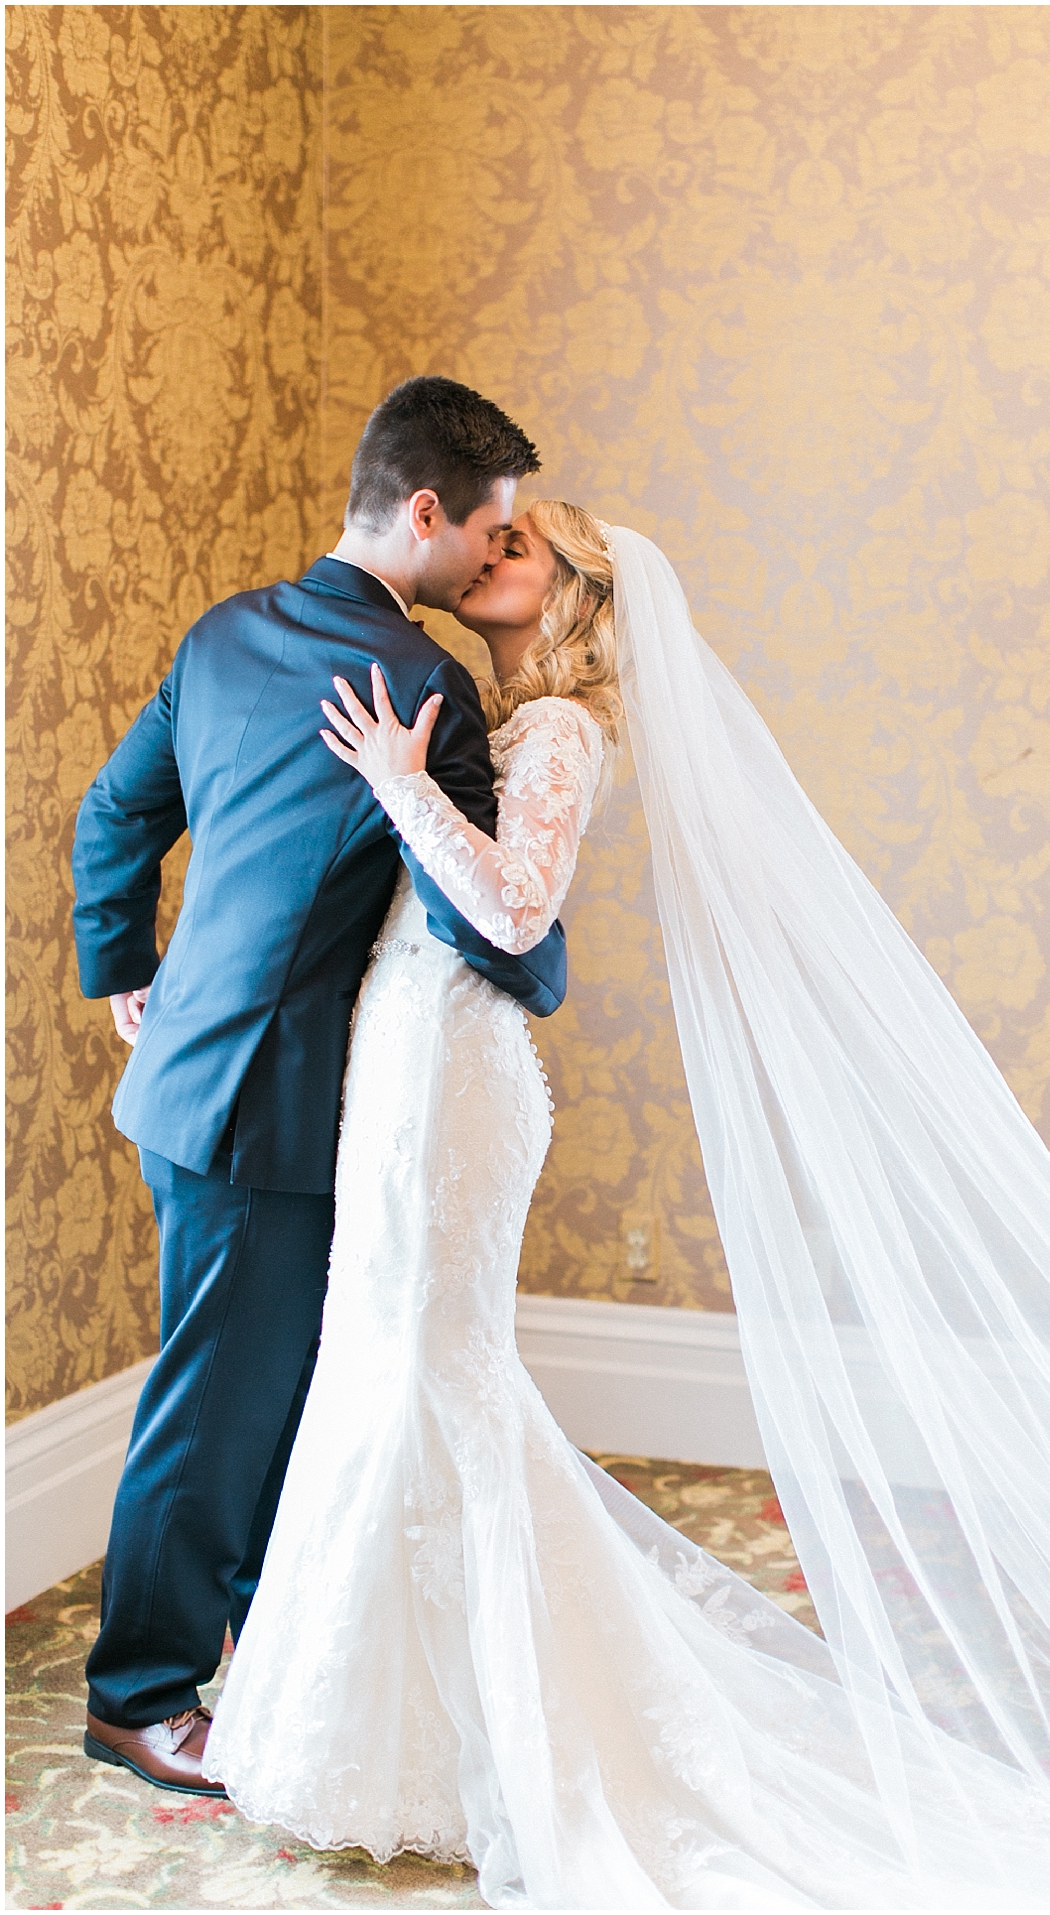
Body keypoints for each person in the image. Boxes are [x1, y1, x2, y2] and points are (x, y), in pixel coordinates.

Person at [205, 507, 1050, 1909]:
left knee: (426, 1364)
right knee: (388, 1357)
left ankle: (476, 1730)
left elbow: (516, 914)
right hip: (404, 1059)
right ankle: (382, 1725)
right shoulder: (497, 718)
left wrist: (406, 790)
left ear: (575, 592)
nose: (486, 555)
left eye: (518, 546)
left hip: (453, 1082)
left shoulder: (562, 735)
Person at [71, 377, 566, 1796]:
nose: (491, 558)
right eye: (490, 530)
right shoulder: (418, 687)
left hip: (189, 1076)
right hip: (265, 1105)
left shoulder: (224, 631)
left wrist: (123, 964)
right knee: (221, 1401)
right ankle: (138, 1696)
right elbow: (497, 928)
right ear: (425, 513)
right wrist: (541, 973)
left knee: (269, 1387)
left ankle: (267, 1652)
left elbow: (117, 809)